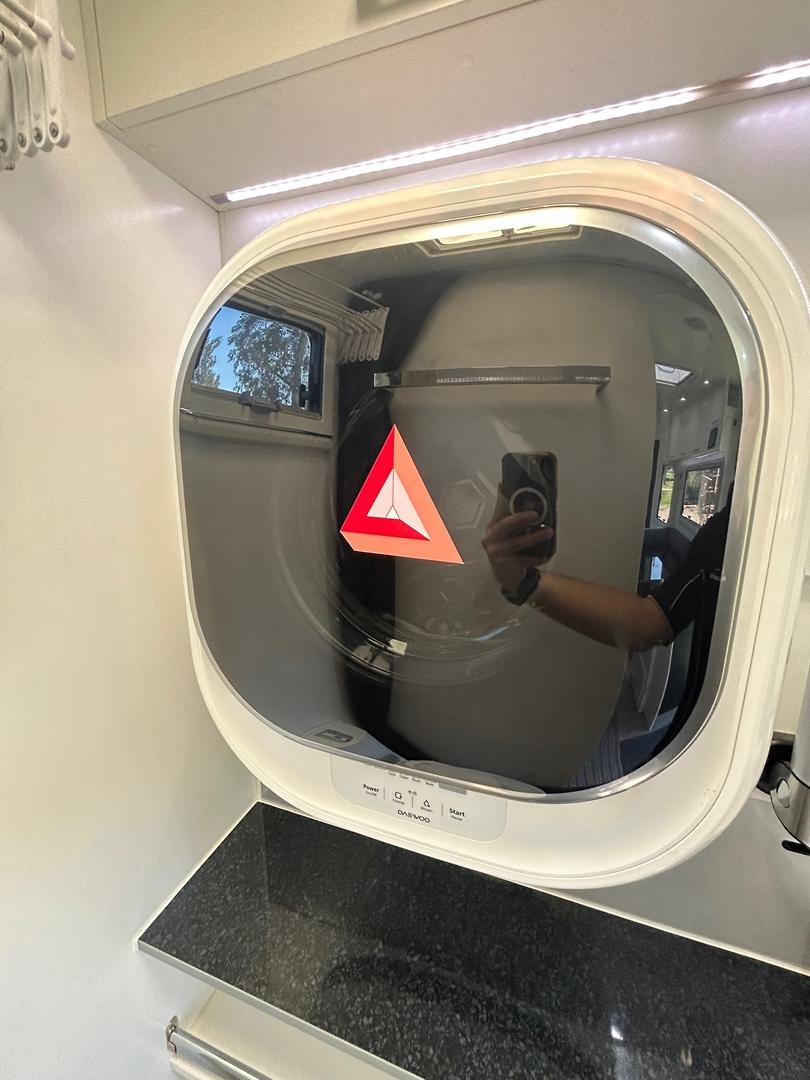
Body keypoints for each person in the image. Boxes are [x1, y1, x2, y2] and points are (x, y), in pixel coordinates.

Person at [483, 490, 731, 783]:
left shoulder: (730, 526)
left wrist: (522, 583)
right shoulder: (733, 524)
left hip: (715, 723)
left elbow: (651, 625)